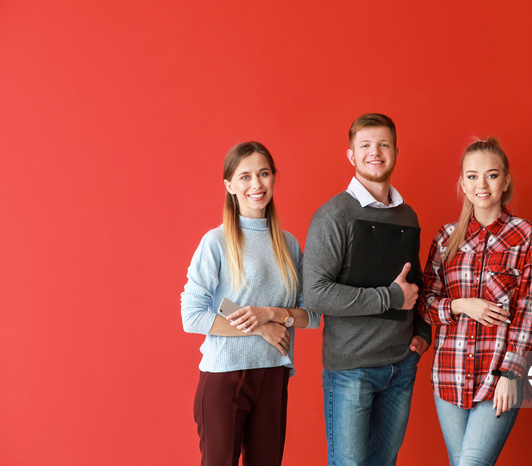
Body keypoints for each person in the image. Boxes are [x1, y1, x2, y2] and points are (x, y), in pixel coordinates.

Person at [180, 141, 320, 466]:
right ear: (229, 185)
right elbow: (193, 315)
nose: (256, 184)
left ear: (274, 178)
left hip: (273, 374)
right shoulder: (216, 242)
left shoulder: (289, 244)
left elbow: (311, 315)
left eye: (263, 174)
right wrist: (260, 330)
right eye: (244, 177)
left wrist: (272, 316)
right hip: (225, 376)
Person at [303, 113, 431, 465]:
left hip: (401, 366)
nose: (375, 152)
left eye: (383, 145)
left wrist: (422, 330)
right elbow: (314, 293)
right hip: (351, 370)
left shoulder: (408, 216)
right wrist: (389, 297)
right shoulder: (333, 216)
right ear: (351, 155)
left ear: (395, 152)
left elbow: (415, 281)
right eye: (366, 146)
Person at [418, 138, 532, 466]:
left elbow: (529, 309)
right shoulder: (445, 238)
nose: (481, 184)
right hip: (449, 376)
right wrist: (460, 305)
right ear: (463, 183)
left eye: (491, 175)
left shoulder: (528, 235)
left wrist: (511, 374)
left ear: (505, 181)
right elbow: (426, 303)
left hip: (497, 376)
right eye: (472, 176)